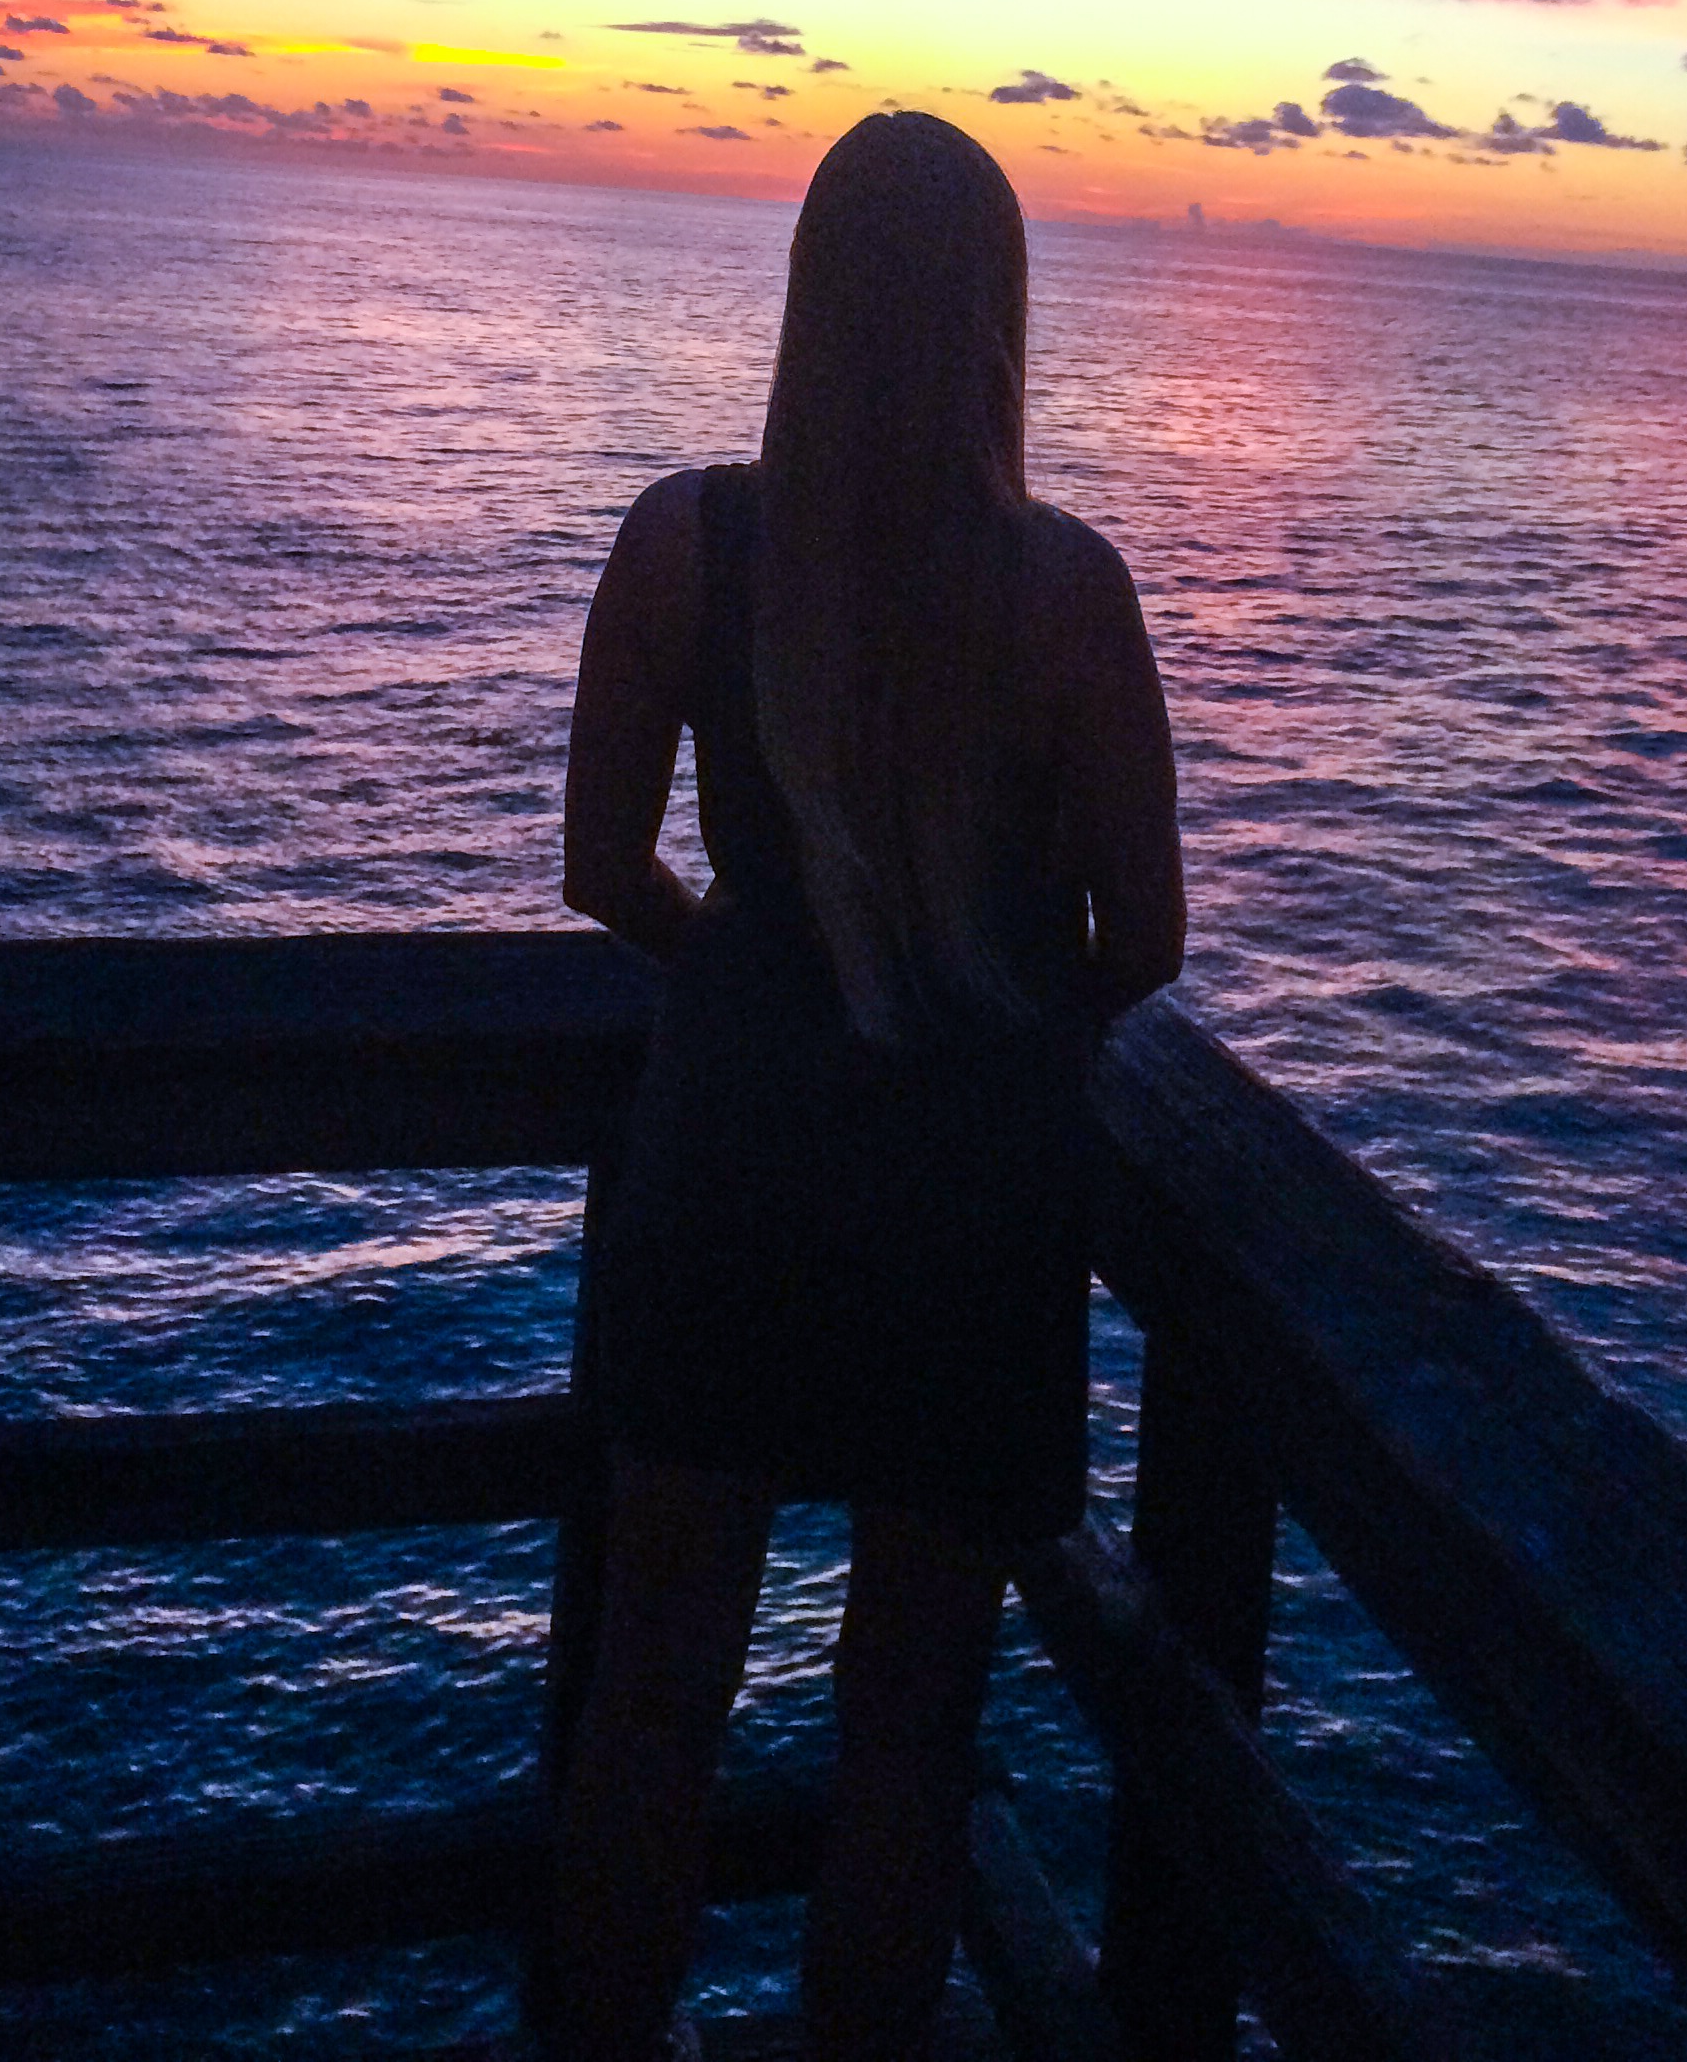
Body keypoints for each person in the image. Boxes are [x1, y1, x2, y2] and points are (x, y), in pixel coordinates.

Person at [550, 110, 1184, 2062]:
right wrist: (975, 1001)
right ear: (998, 319)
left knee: (651, 1700)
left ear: (813, 301)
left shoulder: (689, 542)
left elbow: (597, 867)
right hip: (965, 1205)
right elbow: (1145, 941)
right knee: (909, 1735)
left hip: (729, 1159)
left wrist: (754, 975)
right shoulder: (1071, 595)